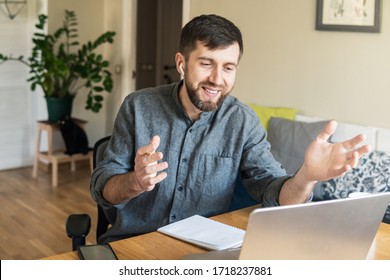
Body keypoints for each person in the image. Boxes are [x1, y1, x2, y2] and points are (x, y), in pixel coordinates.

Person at [90, 14, 370, 244]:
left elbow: (273, 190)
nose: (217, 79)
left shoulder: (242, 121)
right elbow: (102, 188)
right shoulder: (138, 107)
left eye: (228, 68)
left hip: (202, 253)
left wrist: (307, 176)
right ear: (181, 64)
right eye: (206, 64)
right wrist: (135, 182)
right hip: (133, 243)